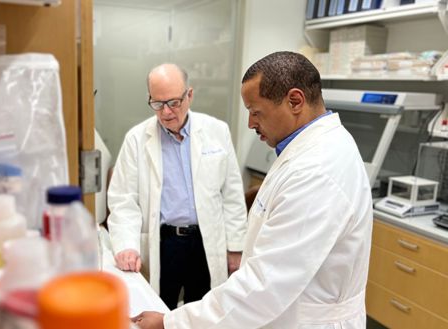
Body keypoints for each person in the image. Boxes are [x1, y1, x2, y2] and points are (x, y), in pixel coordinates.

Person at [132, 51, 373, 328]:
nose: (250, 123)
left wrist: (170, 322)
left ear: (295, 101)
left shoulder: (316, 170)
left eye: (256, 112)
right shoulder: (303, 151)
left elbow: (264, 286)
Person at [107, 63, 247, 310]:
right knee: (160, 311)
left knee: (205, 313)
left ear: (189, 95)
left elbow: (232, 194)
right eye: (157, 104)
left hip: (206, 242)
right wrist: (127, 245)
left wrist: (235, 247)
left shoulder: (216, 131)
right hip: (164, 244)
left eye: (173, 102)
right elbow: (123, 200)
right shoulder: (136, 139)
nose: (166, 112)